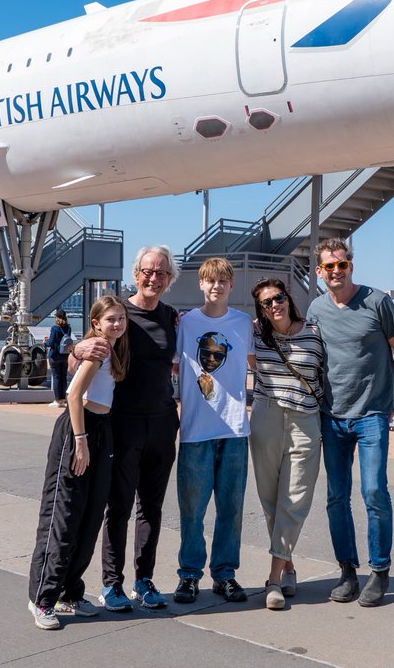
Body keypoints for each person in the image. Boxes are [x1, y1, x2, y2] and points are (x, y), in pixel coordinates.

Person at [71, 245, 180, 611]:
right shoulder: (120, 314)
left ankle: (144, 581)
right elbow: (80, 352)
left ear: (169, 279)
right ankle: (111, 583)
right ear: (136, 274)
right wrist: (76, 348)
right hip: (123, 424)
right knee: (118, 507)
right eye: (148, 271)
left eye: (162, 273)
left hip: (164, 424)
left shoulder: (171, 316)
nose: (154, 278)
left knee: (152, 507)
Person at [307, 237, 394, 608]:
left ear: (351, 266)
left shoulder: (377, 301)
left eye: (343, 264)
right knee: (336, 498)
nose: (337, 271)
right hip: (331, 416)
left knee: (373, 493)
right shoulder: (316, 309)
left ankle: (379, 572)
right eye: (329, 266)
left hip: (371, 416)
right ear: (319, 272)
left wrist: (392, 398)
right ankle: (348, 571)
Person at [27, 296, 129, 630]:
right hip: (79, 429)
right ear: (96, 322)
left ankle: (70, 592)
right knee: (64, 515)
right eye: (110, 319)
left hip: (103, 429)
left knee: (90, 515)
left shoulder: (112, 349)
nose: (116, 324)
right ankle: (43, 598)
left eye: (121, 319)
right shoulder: (97, 348)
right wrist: (80, 441)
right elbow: (73, 395)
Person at [173, 258, 254, 605]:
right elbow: (171, 365)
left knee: (231, 508)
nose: (217, 286)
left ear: (231, 286)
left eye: (223, 281)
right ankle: (189, 576)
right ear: (201, 285)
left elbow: (261, 361)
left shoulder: (245, 324)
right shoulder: (186, 323)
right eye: (210, 281)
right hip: (195, 430)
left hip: (235, 429)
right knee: (192, 510)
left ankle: (225, 575)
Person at [248, 277, 324, 611]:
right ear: (260, 311)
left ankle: (273, 580)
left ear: (288, 298)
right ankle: (288, 566)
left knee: (294, 499)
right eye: (266, 302)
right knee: (270, 499)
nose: (274, 305)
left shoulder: (315, 332)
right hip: (266, 415)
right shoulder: (255, 334)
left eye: (278, 298)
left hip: (306, 420)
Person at [45, 309, 74, 408]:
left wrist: (45, 342)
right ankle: (63, 399)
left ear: (57, 317)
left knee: (56, 377)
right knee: (63, 377)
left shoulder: (55, 328)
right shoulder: (68, 328)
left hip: (55, 356)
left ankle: (57, 400)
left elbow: (50, 343)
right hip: (65, 355)